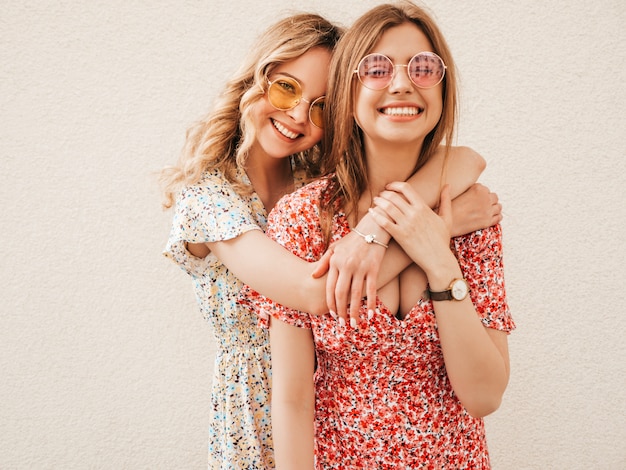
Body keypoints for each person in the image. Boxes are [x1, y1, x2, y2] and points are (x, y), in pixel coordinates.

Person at [161, 11, 500, 470]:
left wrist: (383, 229)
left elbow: (463, 158)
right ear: (254, 81)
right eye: (286, 87)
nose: (299, 114)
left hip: (331, 413)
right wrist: (430, 233)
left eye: (320, 105)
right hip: (258, 412)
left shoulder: (317, 180)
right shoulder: (213, 198)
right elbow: (316, 292)